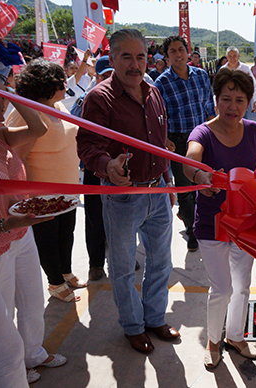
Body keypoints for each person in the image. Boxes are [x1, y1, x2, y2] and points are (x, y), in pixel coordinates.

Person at [76, 29, 180, 354]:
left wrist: (168, 181)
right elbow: (87, 146)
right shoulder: (99, 98)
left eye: (140, 57)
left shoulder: (154, 92)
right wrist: (108, 166)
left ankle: (154, 318)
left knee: (162, 261)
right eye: (127, 57)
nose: (135, 65)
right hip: (123, 197)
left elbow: (160, 143)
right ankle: (133, 326)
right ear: (112, 57)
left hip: (158, 192)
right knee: (122, 268)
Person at [0, 75, 67, 387]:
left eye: (3, 109)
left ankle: (33, 354)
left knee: (30, 303)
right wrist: (6, 224)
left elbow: (38, 128)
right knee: (1, 347)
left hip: (17, 236)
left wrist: (8, 94)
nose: (1, 117)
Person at [183, 68, 256, 368]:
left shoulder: (255, 131)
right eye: (226, 99)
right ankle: (213, 341)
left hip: (246, 224)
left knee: (242, 286)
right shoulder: (202, 132)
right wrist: (200, 174)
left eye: (240, 100)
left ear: (249, 103)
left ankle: (235, 336)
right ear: (215, 99)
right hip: (211, 224)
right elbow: (190, 160)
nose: (233, 107)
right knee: (222, 288)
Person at [7, 59, 85, 303]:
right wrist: (28, 194)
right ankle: (54, 282)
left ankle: (65, 271)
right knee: (47, 238)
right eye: (59, 82)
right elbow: (16, 156)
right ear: (43, 86)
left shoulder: (58, 104)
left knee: (66, 233)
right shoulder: (26, 114)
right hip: (42, 193)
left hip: (67, 189)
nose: (65, 84)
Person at [155, 35, 216, 252]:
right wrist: (165, 139)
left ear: (187, 51)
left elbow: (209, 105)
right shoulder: (161, 82)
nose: (178, 54)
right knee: (185, 189)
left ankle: (205, 224)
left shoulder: (201, 76)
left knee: (205, 184)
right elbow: (158, 115)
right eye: (172, 51)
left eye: (181, 49)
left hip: (202, 138)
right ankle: (192, 232)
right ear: (167, 56)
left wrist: (215, 132)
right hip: (179, 143)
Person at [70, 56, 114, 281]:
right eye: (103, 75)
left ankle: (118, 257)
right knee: (95, 216)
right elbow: (73, 125)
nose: (108, 79)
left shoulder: (126, 99)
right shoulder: (86, 99)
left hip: (120, 168)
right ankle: (96, 264)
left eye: (111, 74)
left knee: (121, 216)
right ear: (96, 77)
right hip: (94, 167)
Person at [222, 46, 256, 122]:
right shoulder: (223, 70)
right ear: (226, 57)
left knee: (242, 122)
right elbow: (218, 87)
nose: (232, 58)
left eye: (234, 56)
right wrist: (216, 103)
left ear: (238, 56)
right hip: (227, 102)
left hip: (242, 101)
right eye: (230, 56)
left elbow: (253, 85)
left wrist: (255, 100)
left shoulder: (245, 68)